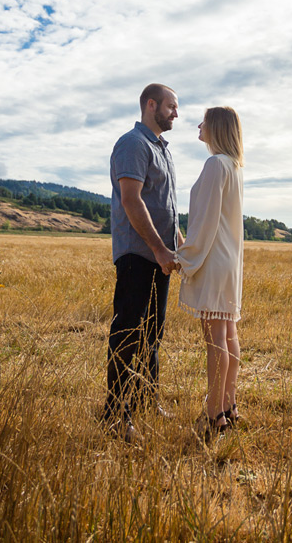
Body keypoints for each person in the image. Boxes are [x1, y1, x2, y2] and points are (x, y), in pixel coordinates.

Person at [103, 83, 182, 442]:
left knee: (152, 336)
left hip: (160, 258)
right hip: (138, 255)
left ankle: (146, 401)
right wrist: (159, 249)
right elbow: (132, 201)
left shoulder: (161, 150)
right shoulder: (132, 144)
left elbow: (165, 208)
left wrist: (179, 247)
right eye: (171, 106)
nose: (176, 113)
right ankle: (116, 415)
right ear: (151, 105)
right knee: (127, 336)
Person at [176, 107, 245, 440]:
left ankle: (214, 411)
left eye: (204, 121)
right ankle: (229, 405)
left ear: (216, 127)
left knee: (215, 338)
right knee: (229, 333)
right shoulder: (232, 165)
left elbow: (205, 219)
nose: (198, 126)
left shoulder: (216, 164)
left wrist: (184, 254)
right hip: (228, 260)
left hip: (213, 259)